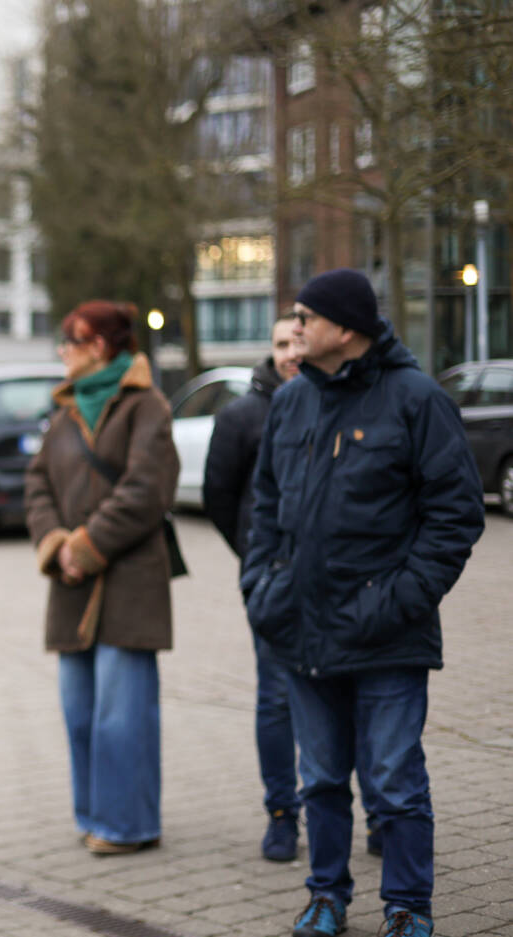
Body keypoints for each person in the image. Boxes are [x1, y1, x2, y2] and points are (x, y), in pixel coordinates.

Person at [242, 269, 484, 937]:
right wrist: (263, 586)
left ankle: (408, 905)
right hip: (303, 632)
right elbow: (263, 507)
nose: (294, 329)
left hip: (386, 637)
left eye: (304, 316)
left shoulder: (416, 400)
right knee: (318, 778)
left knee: (394, 780)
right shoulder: (292, 404)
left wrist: (395, 601)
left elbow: (455, 516)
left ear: (345, 328)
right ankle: (326, 896)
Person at [25, 300, 179, 856]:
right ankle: (94, 816)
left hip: (130, 579)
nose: (63, 351)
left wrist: (87, 546)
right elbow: (37, 483)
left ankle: (128, 824)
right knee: (80, 712)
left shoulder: (147, 406)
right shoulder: (65, 412)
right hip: (71, 583)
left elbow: (147, 489)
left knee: (123, 716)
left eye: (72, 340)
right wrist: (55, 544)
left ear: (100, 347)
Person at [203, 316, 305, 862]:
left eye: (299, 342)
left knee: (345, 696)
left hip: (335, 582)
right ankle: (282, 813)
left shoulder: (336, 407)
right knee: (277, 697)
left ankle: (377, 814)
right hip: (270, 581)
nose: (291, 352)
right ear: (270, 350)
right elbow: (221, 498)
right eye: (282, 343)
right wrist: (255, 560)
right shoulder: (242, 415)